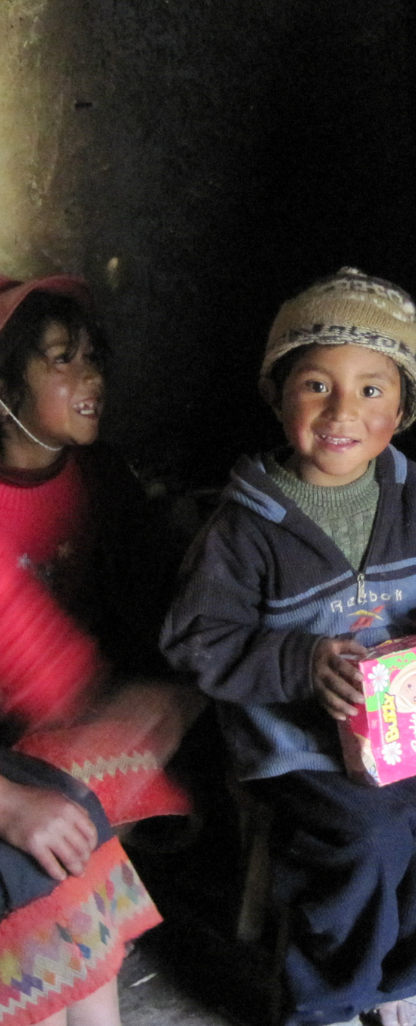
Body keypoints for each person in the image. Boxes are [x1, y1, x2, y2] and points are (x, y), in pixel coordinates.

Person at [161, 269, 416, 1026]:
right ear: (278, 396)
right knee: (369, 841)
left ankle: (393, 975)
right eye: (315, 385)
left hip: (410, 737)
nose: (342, 410)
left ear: (405, 408)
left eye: (372, 390)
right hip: (299, 749)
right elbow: (195, 640)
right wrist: (299, 663)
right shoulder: (247, 524)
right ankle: (326, 998)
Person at [0, 274, 198, 1026]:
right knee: (56, 851)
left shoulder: (100, 477)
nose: (90, 378)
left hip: (58, 726)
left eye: (92, 358)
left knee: (73, 833)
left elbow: (140, 608)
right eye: (60, 360)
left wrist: (173, 692)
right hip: (20, 748)